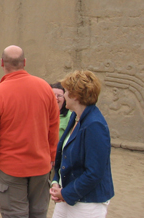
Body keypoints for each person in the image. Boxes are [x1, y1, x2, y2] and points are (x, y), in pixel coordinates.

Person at [0, 45, 60, 218]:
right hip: (41, 166)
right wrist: (51, 157)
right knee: (38, 213)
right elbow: (53, 127)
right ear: (24, 62)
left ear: (2, 63)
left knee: (15, 214)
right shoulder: (45, 89)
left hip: (10, 168)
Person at [50, 70, 114, 218]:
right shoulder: (75, 117)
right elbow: (64, 157)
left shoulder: (95, 125)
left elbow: (94, 172)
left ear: (75, 95)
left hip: (88, 202)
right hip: (68, 196)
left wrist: (66, 193)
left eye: (65, 91)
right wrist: (55, 181)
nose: (64, 95)